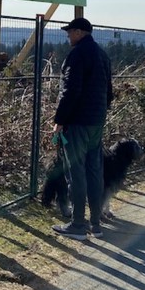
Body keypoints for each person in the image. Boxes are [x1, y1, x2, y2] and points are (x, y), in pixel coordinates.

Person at [50, 17, 114, 240]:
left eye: (70, 32)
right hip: (97, 121)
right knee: (94, 171)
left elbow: (70, 90)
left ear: (79, 32)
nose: (68, 36)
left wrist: (60, 120)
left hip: (76, 122)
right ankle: (96, 224)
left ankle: (77, 224)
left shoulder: (77, 55)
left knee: (75, 172)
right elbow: (110, 92)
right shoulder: (102, 54)